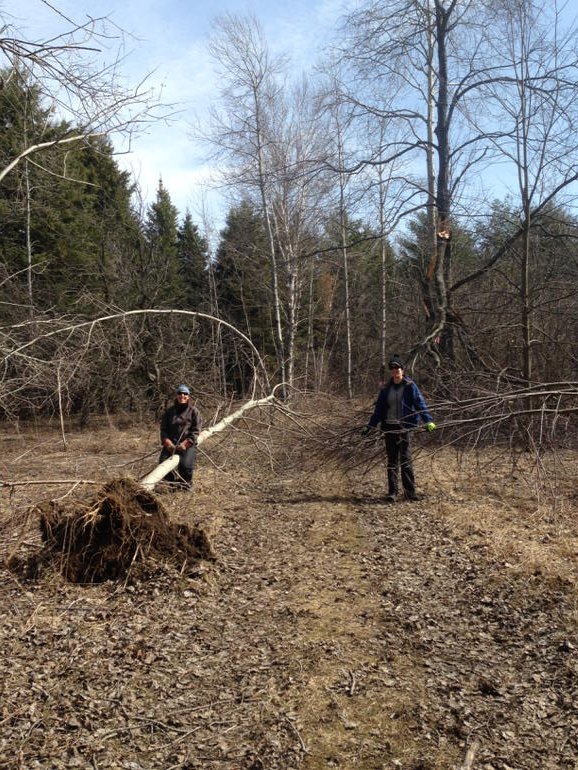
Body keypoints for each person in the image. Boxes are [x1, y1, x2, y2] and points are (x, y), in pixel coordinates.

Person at [362, 355, 436, 503]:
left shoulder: (410, 386)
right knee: (392, 461)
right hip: (389, 427)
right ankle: (393, 492)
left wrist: (428, 421)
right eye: (393, 368)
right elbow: (379, 409)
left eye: (397, 368)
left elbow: (420, 403)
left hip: (406, 427)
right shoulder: (385, 389)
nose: (395, 370)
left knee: (406, 459)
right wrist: (369, 426)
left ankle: (410, 492)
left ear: (402, 369)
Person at [159, 384, 202, 491]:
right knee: (162, 464)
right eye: (180, 393)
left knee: (185, 466)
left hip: (187, 445)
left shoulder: (194, 411)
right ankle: (172, 484)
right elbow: (163, 430)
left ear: (188, 396)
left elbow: (196, 431)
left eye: (185, 394)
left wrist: (186, 444)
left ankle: (186, 484)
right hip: (171, 444)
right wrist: (168, 444)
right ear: (176, 395)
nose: (182, 396)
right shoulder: (169, 412)